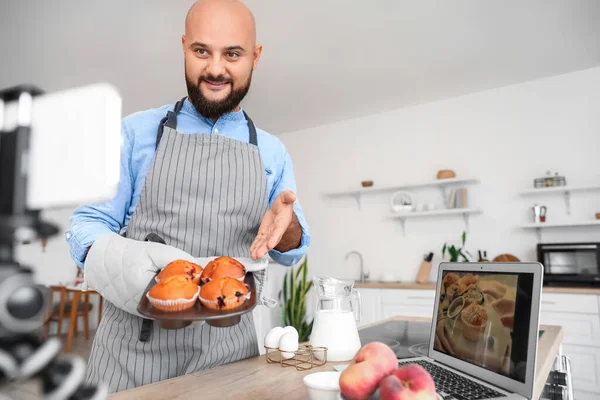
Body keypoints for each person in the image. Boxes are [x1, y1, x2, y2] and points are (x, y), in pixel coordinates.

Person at [65, 0, 310, 393]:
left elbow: (293, 251)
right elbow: (85, 227)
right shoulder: (134, 134)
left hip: (230, 363)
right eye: (201, 51)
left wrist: (287, 228)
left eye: (232, 53)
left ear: (255, 56)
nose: (215, 69)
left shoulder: (272, 152)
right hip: (131, 360)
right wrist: (136, 271)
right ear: (183, 47)